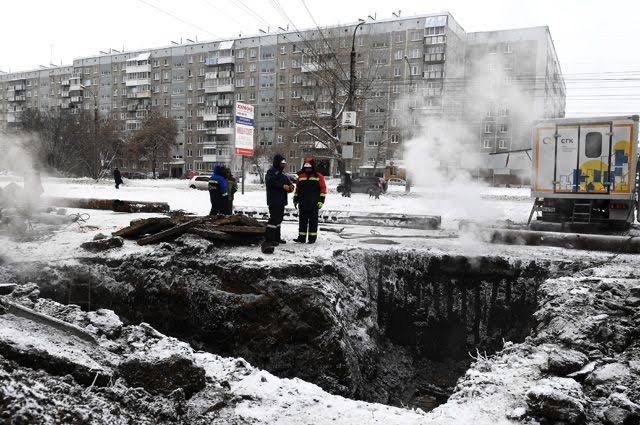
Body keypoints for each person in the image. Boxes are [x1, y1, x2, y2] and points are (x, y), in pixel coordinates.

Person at [262, 154, 294, 253]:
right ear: (277, 163)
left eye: (284, 163)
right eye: (282, 163)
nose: (283, 165)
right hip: (273, 200)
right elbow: (270, 182)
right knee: (274, 219)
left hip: (281, 201)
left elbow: (290, 183)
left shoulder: (283, 174)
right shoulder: (271, 172)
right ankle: (269, 239)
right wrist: (283, 186)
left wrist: (291, 187)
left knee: (279, 219)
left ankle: (277, 238)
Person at [293, 157, 327, 244]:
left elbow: (323, 189)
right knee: (302, 221)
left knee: (313, 221)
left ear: (312, 167)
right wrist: (295, 199)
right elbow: (297, 189)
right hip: (303, 203)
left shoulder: (319, 176)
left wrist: (321, 201)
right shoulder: (300, 176)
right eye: (306, 167)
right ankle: (302, 238)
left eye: (309, 167)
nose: (308, 169)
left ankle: (312, 238)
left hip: (314, 203)